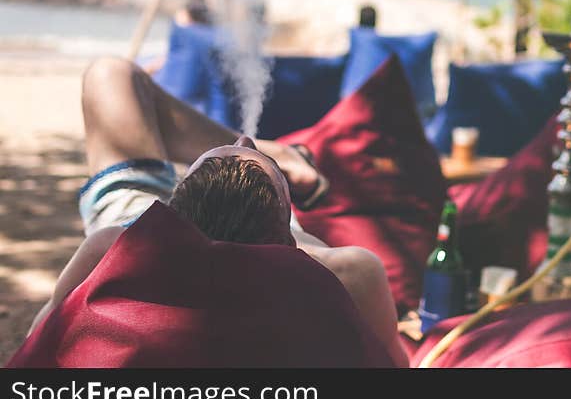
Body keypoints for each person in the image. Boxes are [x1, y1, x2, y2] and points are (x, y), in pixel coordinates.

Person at [29, 56, 409, 367]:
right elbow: (392, 367)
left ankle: (278, 157)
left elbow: (40, 337)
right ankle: (280, 157)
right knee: (115, 74)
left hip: (144, 228)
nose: (242, 140)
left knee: (110, 73)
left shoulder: (117, 244)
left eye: (197, 166)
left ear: (172, 203)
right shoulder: (344, 269)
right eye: (269, 172)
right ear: (288, 227)